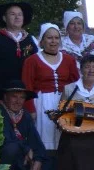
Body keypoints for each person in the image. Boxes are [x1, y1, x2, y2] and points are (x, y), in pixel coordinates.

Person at [21, 23, 79, 151]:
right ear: (42, 40)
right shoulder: (32, 60)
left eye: (56, 38)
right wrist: (31, 110)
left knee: (65, 143)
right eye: (49, 38)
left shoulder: (69, 60)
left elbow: (76, 84)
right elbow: (27, 87)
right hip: (42, 104)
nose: (53, 41)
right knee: (44, 143)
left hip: (64, 103)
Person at [0, 80, 49, 170]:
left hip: (21, 159)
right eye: (14, 97)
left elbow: (35, 140)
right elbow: (5, 139)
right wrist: (26, 149)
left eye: (22, 98)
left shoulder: (25, 114)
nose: (18, 101)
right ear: (5, 97)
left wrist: (38, 159)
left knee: (49, 164)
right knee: (11, 148)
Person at [0, 1, 38, 99]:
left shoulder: (32, 40)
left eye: (20, 14)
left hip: (28, 93)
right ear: (4, 18)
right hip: (4, 93)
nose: (17, 17)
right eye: (12, 14)